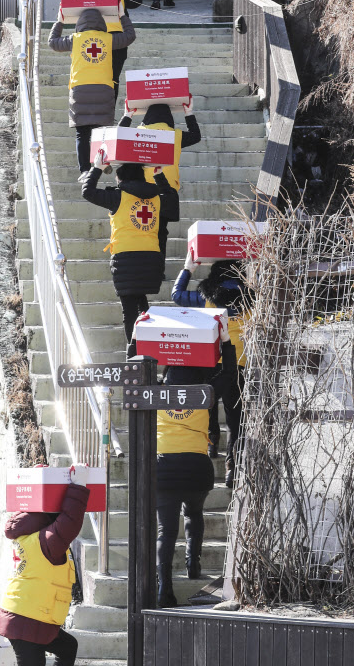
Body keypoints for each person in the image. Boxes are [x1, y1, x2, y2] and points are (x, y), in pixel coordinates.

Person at [155, 317, 237, 607]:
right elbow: (229, 372)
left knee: (166, 529)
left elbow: (133, 364)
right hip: (196, 467)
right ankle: (193, 561)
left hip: (164, 468)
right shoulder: (205, 393)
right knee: (194, 513)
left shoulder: (155, 393)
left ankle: (164, 587)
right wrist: (225, 341)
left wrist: (138, 338)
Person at [82, 154, 179, 358]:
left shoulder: (118, 196)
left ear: (120, 178)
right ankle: (147, 349)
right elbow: (173, 201)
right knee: (141, 304)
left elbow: (88, 192)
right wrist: (160, 176)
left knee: (129, 309)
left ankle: (134, 353)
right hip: (151, 259)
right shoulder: (156, 197)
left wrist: (97, 168)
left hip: (126, 259)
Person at [0, 464, 90, 666]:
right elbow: (69, 522)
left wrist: (47, 477)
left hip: (29, 615)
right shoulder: (46, 541)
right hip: (27, 619)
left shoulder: (28, 534)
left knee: (67, 647)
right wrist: (79, 486)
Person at [171, 253, 250, 488]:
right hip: (240, 363)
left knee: (208, 406)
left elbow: (176, 295)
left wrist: (188, 268)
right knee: (236, 419)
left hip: (209, 361)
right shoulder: (253, 300)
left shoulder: (205, 298)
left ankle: (212, 439)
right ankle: (231, 470)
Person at [48, 6, 135, 180]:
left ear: (80, 24)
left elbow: (53, 42)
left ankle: (85, 171)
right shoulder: (108, 38)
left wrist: (60, 21)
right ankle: (101, 162)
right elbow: (130, 36)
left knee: (82, 133)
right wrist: (122, 16)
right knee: (100, 130)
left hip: (80, 90)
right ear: (101, 23)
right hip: (103, 89)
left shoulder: (75, 39)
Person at [119, 99, 201, 258]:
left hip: (141, 190)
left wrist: (127, 115)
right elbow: (196, 136)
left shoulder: (138, 132)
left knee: (140, 228)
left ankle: (140, 259)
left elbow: (118, 137)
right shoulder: (176, 135)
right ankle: (159, 266)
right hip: (166, 191)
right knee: (161, 231)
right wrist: (188, 113)